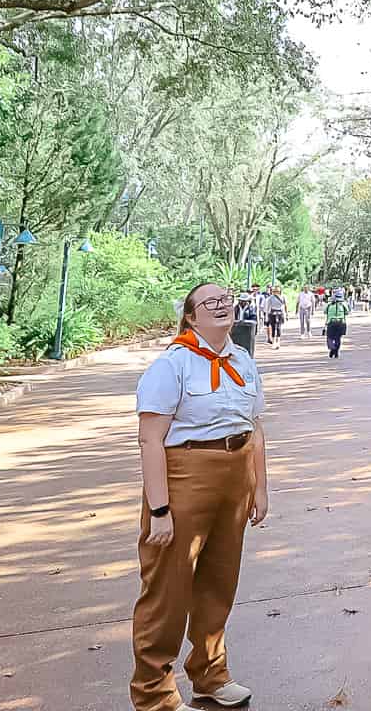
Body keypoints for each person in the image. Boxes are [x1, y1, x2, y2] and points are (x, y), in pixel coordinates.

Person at [130, 283, 268, 711]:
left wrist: (259, 486)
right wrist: (159, 510)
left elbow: (256, 426)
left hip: (235, 474)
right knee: (168, 588)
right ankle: (154, 695)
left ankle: (210, 674)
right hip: (186, 476)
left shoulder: (242, 360)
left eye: (226, 299)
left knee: (219, 582)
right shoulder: (172, 365)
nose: (222, 305)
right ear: (190, 317)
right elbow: (150, 440)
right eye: (210, 302)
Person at [231, 285, 260, 356]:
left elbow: (254, 319)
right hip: (237, 329)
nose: (243, 302)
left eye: (245, 301)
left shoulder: (251, 309)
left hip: (247, 330)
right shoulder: (236, 308)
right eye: (242, 301)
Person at [323, 287, 350, 358]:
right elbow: (347, 312)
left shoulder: (329, 304)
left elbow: (325, 311)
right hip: (341, 322)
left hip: (331, 322)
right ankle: (336, 351)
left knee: (330, 338)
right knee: (338, 338)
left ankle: (333, 349)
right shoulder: (343, 303)